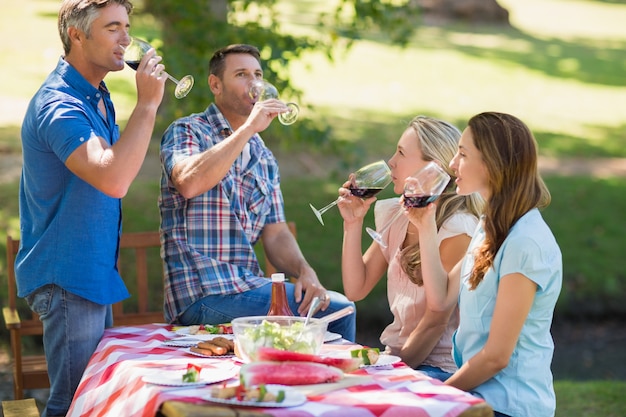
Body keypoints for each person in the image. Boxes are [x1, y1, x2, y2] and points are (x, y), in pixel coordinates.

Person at [15, 0, 166, 415]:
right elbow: (113, 178)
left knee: (95, 401)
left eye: (127, 26)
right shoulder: (58, 105)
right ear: (77, 35)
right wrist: (149, 105)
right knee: (72, 403)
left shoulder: (96, 97)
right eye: (113, 27)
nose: (126, 39)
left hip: (89, 273)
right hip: (68, 276)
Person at [158, 44, 356, 341]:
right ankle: (333, 385)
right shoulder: (188, 130)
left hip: (248, 286)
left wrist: (304, 270)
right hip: (203, 293)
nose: (254, 84)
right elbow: (189, 183)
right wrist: (248, 129)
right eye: (241, 74)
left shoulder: (264, 157)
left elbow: (275, 234)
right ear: (215, 84)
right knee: (339, 312)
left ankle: (298, 382)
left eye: (258, 74)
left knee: (334, 306)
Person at [411, 112, 562, 417]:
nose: (453, 163)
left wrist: (439, 396)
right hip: (477, 393)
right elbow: (441, 299)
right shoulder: (490, 225)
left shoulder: (524, 243)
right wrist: (425, 225)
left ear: (493, 164)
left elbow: (496, 357)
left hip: (508, 405)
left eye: (463, 154)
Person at [337, 116, 483, 381]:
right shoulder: (398, 213)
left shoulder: (457, 229)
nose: (391, 161)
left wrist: (387, 373)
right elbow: (356, 288)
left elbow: (435, 322)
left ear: (433, 169)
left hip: (440, 367)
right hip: (399, 356)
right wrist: (353, 223)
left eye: (401, 153)